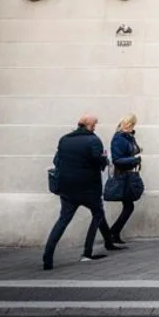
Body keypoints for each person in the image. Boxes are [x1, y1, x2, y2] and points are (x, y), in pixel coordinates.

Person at [43, 115, 122, 270]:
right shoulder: (93, 140)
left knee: (63, 221)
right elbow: (98, 161)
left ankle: (47, 258)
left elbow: (56, 161)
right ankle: (87, 252)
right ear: (90, 126)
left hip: (66, 188)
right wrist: (104, 159)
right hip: (88, 187)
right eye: (95, 124)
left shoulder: (64, 139)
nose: (95, 127)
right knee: (98, 214)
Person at [108, 114, 142, 245]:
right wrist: (135, 159)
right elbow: (117, 160)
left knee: (129, 206)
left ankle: (113, 233)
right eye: (132, 125)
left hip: (128, 175)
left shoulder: (128, 137)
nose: (133, 127)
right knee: (128, 206)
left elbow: (132, 150)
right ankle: (112, 233)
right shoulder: (119, 138)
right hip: (122, 176)